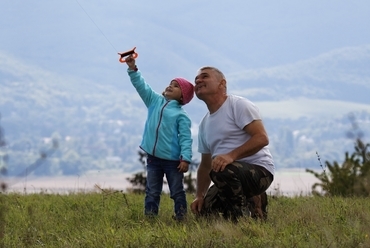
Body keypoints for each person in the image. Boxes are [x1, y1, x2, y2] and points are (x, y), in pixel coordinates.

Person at [190, 66, 274, 222]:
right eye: (196, 80)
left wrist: (231, 156)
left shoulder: (238, 105)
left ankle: (240, 220)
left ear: (222, 84)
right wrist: (199, 195)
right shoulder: (204, 124)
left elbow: (262, 138)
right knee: (205, 211)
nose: (198, 81)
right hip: (228, 173)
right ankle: (254, 200)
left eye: (204, 77)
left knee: (222, 170)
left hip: (259, 172)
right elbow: (206, 165)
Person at [125, 56, 194, 221]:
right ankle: (150, 219)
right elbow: (142, 86)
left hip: (173, 161)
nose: (171, 85)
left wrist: (185, 158)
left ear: (183, 97)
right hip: (153, 158)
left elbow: (186, 138)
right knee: (152, 191)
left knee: (176, 191)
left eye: (176, 86)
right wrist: (133, 69)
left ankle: (181, 217)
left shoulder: (181, 115)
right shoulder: (154, 101)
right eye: (171, 83)